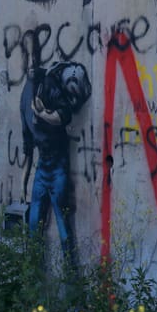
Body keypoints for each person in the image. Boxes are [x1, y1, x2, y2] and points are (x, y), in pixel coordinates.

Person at [20, 59, 90, 272]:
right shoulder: (28, 98)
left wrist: (41, 113)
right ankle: (35, 277)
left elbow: (63, 115)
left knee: (62, 227)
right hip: (44, 169)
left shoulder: (47, 86)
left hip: (55, 168)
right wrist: (24, 183)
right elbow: (28, 147)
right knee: (35, 226)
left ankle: (68, 279)